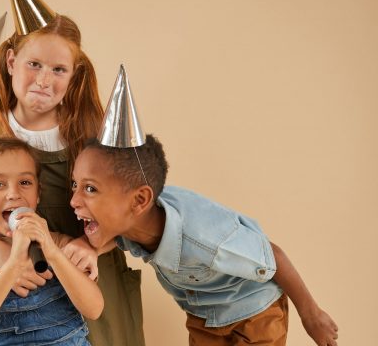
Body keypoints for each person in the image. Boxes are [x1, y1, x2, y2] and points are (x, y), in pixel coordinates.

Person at [0, 14, 146, 346]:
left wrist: (89, 245)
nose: (43, 80)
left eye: (58, 70)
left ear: (74, 75)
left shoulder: (93, 134)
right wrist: (6, 259)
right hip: (17, 291)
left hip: (90, 276)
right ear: (11, 61)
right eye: (34, 64)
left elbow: (132, 212)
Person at [70, 134, 340, 346]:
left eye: (90, 188)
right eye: (75, 185)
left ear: (139, 200)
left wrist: (311, 314)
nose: (73, 200)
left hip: (255, 311)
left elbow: (273, 257)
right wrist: (90, 246)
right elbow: (117, 236)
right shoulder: (134, 221)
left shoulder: (206, 240)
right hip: (204, 318)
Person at [0, 137, 103, 345]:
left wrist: (53, 253)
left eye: (25, 183)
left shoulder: (58, 244)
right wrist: (12, 265)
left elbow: (94, 309)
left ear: (38, 194)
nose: (14, 194)